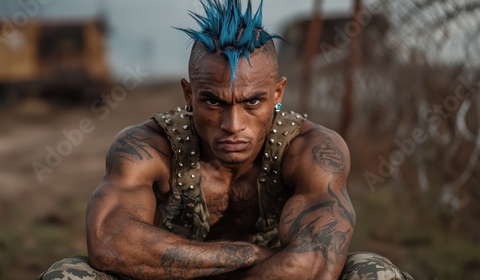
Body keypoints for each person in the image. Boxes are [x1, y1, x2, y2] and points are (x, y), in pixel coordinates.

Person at [39, 0, 413, 279]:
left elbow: (314, 262)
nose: (233, 124)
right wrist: (244, 253)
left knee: (373, 271)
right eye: (213, 101)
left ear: (278, 93)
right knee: (67, 273)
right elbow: (109, 241)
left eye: (253, 101)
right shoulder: (146, 146)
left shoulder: (313, 150)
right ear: (189, 94)